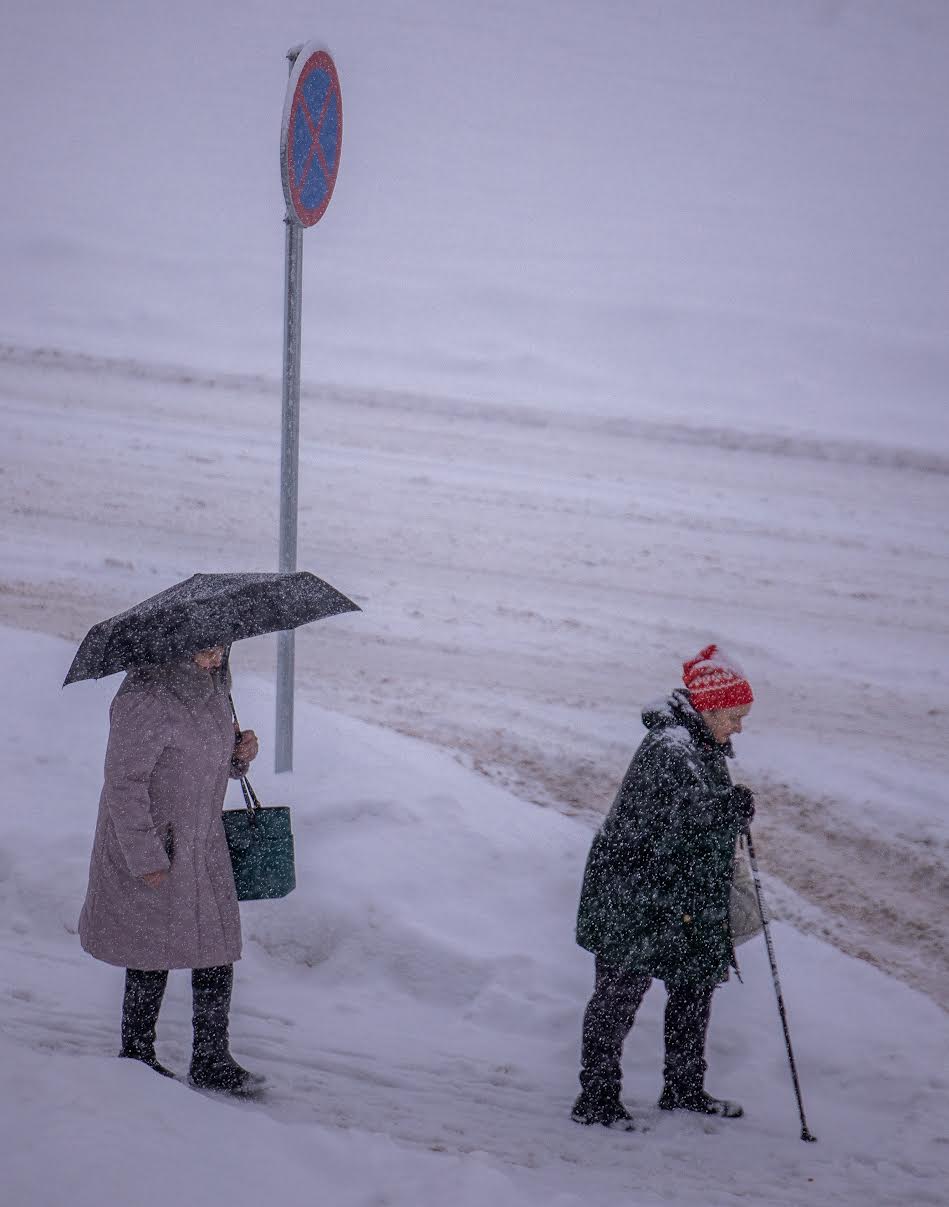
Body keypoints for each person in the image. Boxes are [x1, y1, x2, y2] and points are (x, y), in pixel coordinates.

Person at [572, 644, 756, 1129]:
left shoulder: (701, 743)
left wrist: (725, 809)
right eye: (735, 716)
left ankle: (684, 1089)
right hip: (633, 893)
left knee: (694, 984)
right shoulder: (670, 748)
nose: (739, 727)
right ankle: (596, 1099)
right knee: (619, 995)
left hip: (680, 895)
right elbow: (677, 820)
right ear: (711, 708)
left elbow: (698, 816)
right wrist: (724, 810)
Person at [78, 644, 264, 1095]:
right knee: (151, 951)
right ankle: (137, 1055)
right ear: (175, 650)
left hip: (202, 839)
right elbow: (123, 784)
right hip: (154, 840)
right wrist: (145, 856)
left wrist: (238, 757)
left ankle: (211, 1058)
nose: (215, 658)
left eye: (222, 647)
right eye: (204, 649)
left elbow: (202, 763)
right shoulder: (145, 697)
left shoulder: (215, 692)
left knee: (217, 950)